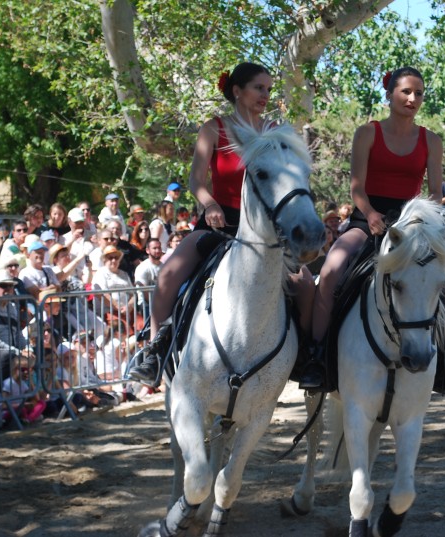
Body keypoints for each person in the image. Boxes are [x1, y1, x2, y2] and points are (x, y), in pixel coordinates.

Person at [128, 62, 315, 384]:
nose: (265, 95)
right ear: (237, 91)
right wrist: (210, 204)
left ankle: (307, 356)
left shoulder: (275, 130)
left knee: (305, 284)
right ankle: (155, 352)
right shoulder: (213, 128)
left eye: (269, 89)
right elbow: (196, 180)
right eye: (259, 88)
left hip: (267, 231)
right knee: (168, 275)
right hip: (219, 223)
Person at [300, 67, 445, 402]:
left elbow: (435, 195)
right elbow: (357, 188)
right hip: (369, 221)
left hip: (413, 228)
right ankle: (317, 360)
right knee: (331, 271)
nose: (413, 99)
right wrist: (369, 214)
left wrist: (420, 223)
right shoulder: (367, 133)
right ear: (390, 93)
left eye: (419, 93)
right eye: (406, 92)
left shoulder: (430, 140)